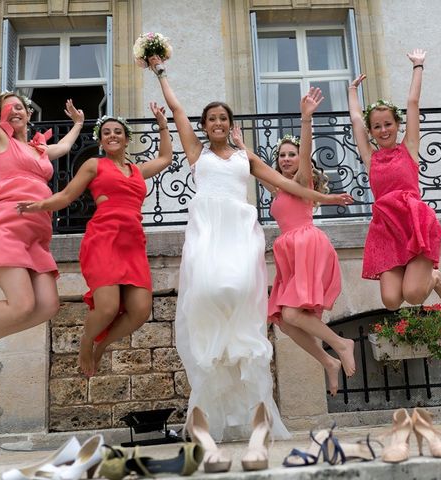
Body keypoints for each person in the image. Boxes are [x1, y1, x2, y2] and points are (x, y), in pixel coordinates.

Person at [150, 57, 353, 442]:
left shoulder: (248, 158)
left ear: (230, 124)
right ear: (205, 126)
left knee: (241, 291)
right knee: (211, 291)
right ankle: (213, 366)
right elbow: (177, 109)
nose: (218, 123)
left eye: (223, 118)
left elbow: (290, 185)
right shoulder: (198, 153)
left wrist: (325, 200)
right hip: (209, 231)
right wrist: (160, 72)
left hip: (241, 234)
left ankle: (244, 367)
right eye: (211, 118)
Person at [0, 28, 85, 373]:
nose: (15, 112)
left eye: (20, 108)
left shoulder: (38, 149)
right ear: (0, 116)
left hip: (36, 235)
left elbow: (65, 148)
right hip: (6, 228)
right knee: (22, 304)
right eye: (7, 109)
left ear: (28, 114)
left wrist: (78, 124)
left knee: (46, 306)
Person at [17, 104, 173, 376]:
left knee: (140, 310)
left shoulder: (137, 171)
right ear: (100, 139)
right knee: (108, 307)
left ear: (126, 138)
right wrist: (39, 205)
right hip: (104, 239)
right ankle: (87, 342)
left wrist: (162, 124)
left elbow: (166, 158)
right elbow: (66, 196)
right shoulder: (94, 165)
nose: (112, 136)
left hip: (133, 243)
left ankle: (103, 346)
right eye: (106, 132)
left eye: (118, 132)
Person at [232, 87, 355, 397]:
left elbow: (306, 149)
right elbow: (255, 167)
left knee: (291, 314)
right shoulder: (279, 189)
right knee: (284, 320)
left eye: (292, 155)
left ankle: (341, 344)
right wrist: (241, 145)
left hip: (307, 246)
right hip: (289, 252)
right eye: (283, 155)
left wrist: (305, 119)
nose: (287, 159)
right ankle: (328, 361)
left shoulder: (302, 181)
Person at [347, 49, 441, 311]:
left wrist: (418, 66)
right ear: (371, 132)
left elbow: (413, 103)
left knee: (414, 295)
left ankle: (433, 277)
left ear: (397, 124)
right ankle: (428, 276)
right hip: (386, 229)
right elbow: (356, 120)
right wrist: (351, 91)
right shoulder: (371, 158)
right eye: (377, 126)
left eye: (388, 124)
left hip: (414, 223)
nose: (383, 130)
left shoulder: (410, 148)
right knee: (392, 301)